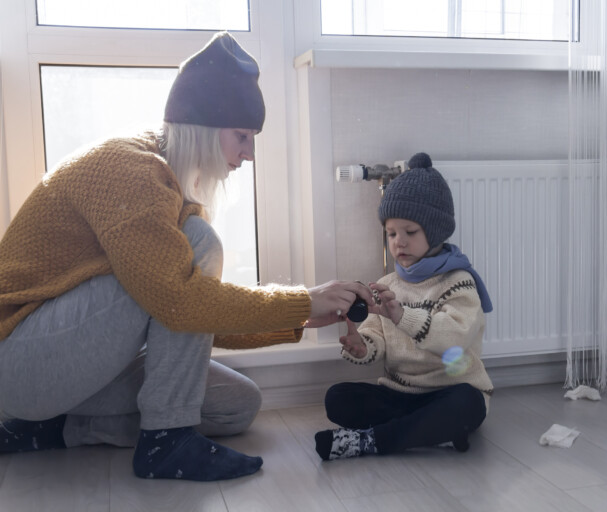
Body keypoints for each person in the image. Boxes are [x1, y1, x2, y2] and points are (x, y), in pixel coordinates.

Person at [0, 32, 373, 482]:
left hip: (67, 366)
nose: (249, 154)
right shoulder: (128, 170)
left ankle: (47, 430)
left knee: (236, 405)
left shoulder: (166, 186)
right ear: (205, 126)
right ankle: (165, 442)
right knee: (199, 243)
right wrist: (302, 299)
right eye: (242, 136)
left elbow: (184, 317)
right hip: (18, 361)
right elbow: (180, 302)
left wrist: (296, 321)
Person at [314, 152, 494, 461]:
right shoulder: (388, 283)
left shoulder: (459, 281)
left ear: (435, 231)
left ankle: (374, 440)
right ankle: (429, 433)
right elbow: (378, 340)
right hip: (400, 394)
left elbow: (455, 339)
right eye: (391, 233)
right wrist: (362, 345)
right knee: (338, 398)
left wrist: (402, 316)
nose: (399, 242)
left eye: (410, 232)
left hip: (449, 392)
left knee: (468, 404)